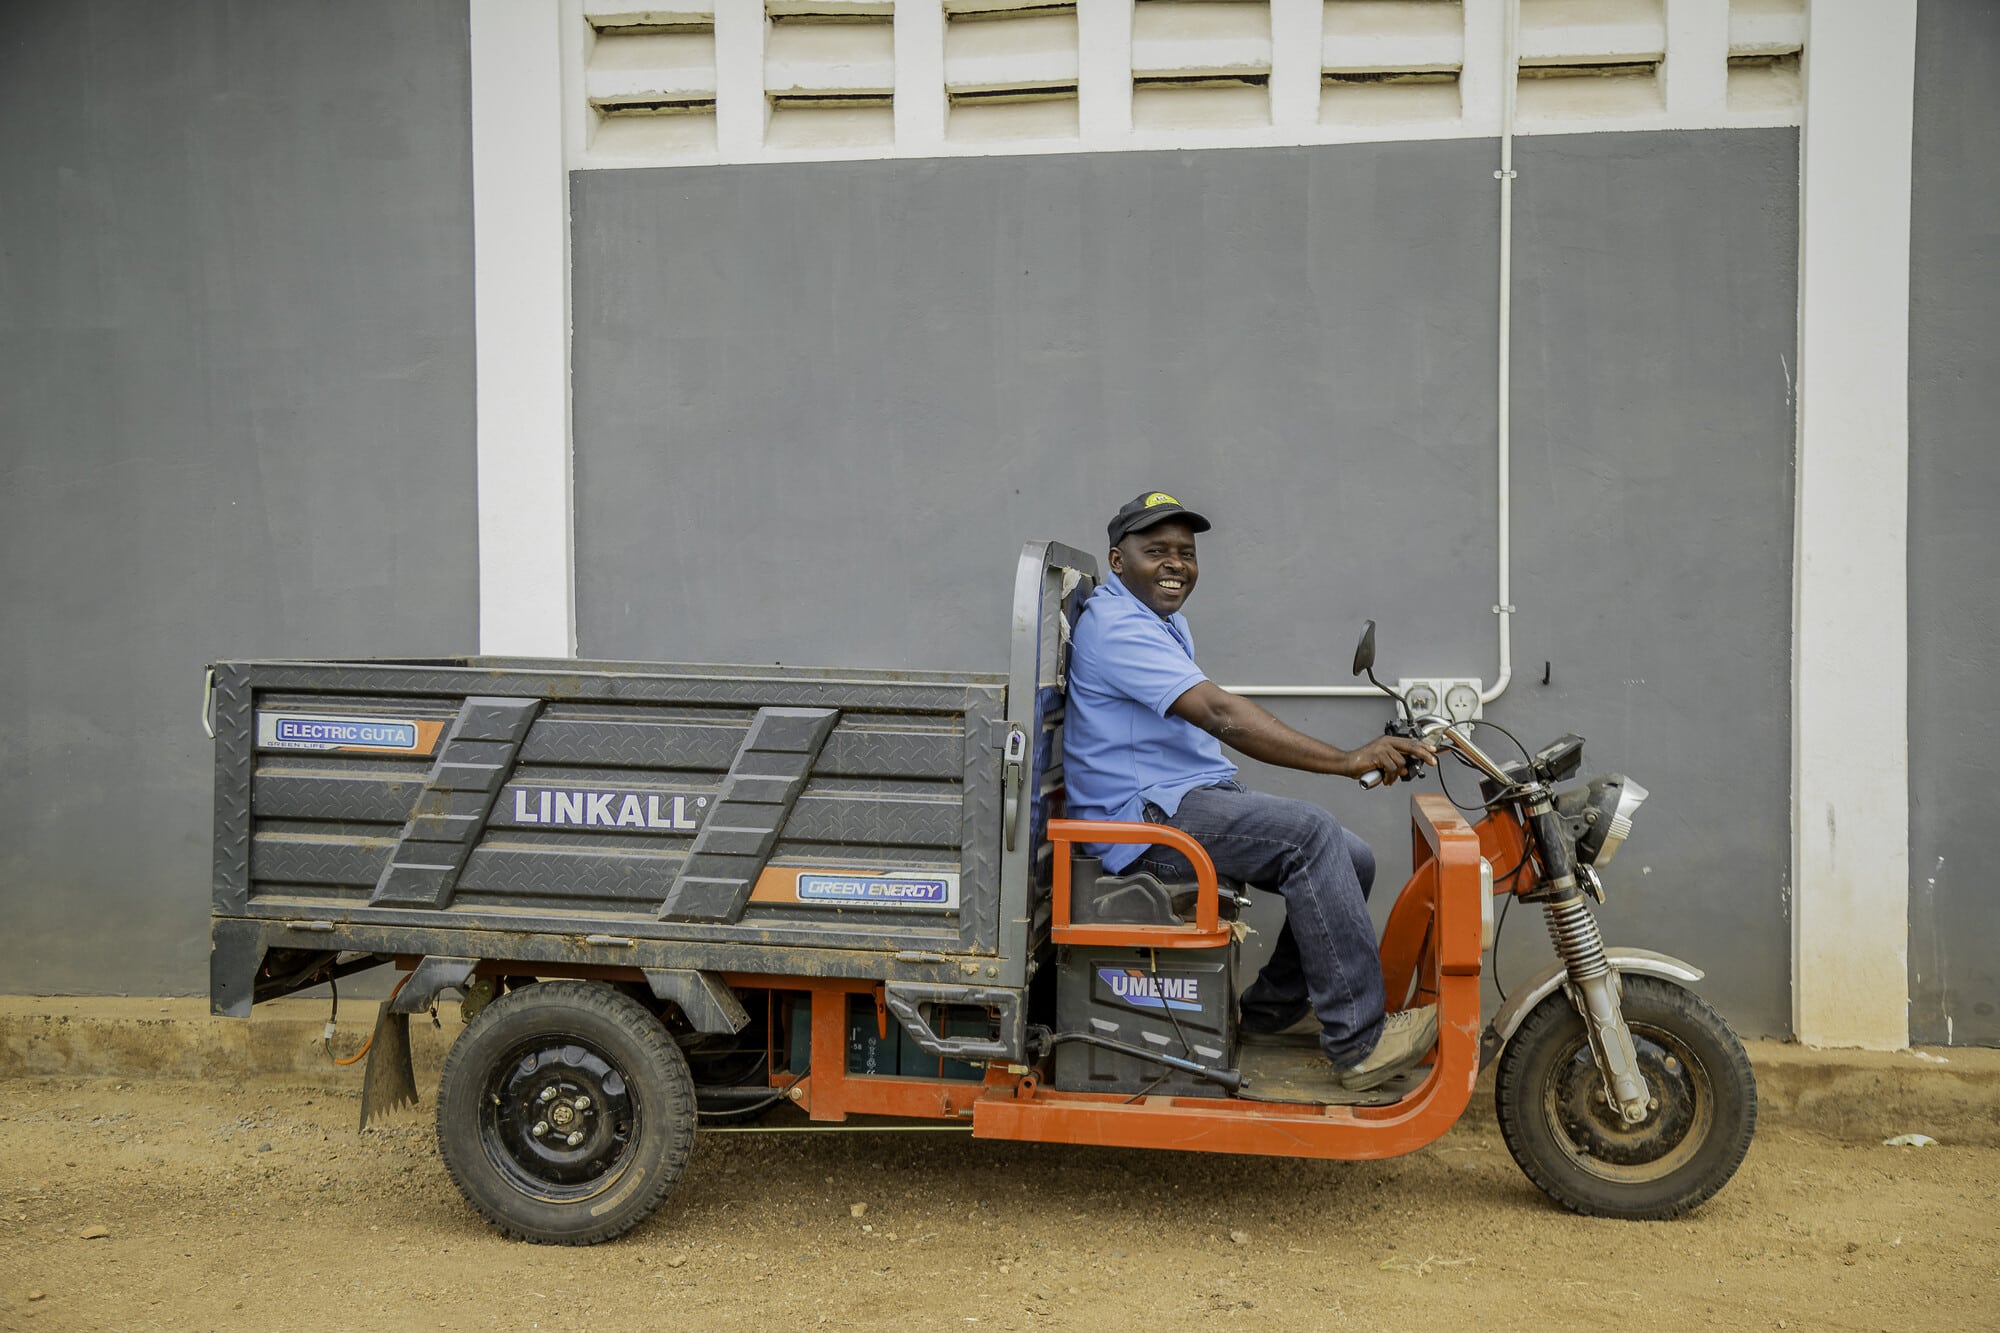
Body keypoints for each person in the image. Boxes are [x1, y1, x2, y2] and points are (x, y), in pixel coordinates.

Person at [1063, 491, 1440, 1091]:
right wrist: (1346, 760)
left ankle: (1265, 1014)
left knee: (1354, 855)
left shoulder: (1159, 621)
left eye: (1185, 553)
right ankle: (1361, 1044)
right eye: (1155, 550)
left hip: (1182, 799)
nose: (1175, 565)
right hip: (1142, 823)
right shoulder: (1115, 626)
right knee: (1311, 834)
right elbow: (1218, 712)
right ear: (1117, 559)